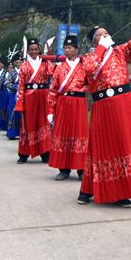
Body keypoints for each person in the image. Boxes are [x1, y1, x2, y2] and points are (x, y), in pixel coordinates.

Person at [76, 7, 131, 207]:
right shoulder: (89, 57)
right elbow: (88, 70)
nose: (105, 35)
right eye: (100, 35)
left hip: (123, 103)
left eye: (106, 33)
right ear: (94, 42)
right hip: (103, 105)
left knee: (122, 144)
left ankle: (123, 191)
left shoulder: (121, 52)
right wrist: (101, 48)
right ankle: (88, 188)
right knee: (99, 145)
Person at [46, 35, 89, 180]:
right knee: (62, 133)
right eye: (65, 48)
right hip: (63, 103)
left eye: (69, 48)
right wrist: (51, 110)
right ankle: (63, 169)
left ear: (76, 49)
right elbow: (53, 90)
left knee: (79, 134)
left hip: (79, 102)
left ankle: (81, 169)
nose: (67, 50)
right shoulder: (59, 68)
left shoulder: (84, 65)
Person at [14, 39, 53, 164]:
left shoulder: (45, 63)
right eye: (31, 49)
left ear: (39, 50)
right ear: (28, 51)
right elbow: (20, 85)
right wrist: (20, 103)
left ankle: (45, 152)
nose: (34, 51)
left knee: (43, 123)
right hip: (29, 96)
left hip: (43, 96)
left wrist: (47, 59)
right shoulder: (24, 66)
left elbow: (52, 73)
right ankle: (24, 153)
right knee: (27, 124)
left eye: (36, 49)